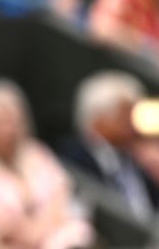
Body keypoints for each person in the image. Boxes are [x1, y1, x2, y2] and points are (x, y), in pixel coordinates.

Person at [0, 79, 92, 248]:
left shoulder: (36, 153)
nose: (9, 129)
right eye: (0, 122)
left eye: (14, 121)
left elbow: (62, 195)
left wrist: (43, 227)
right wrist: (35, 233)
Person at [58, 70, 159, 220]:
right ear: (100, 118)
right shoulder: (74, 155)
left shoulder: (137, 160)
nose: (133, 124)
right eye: (125, 115)